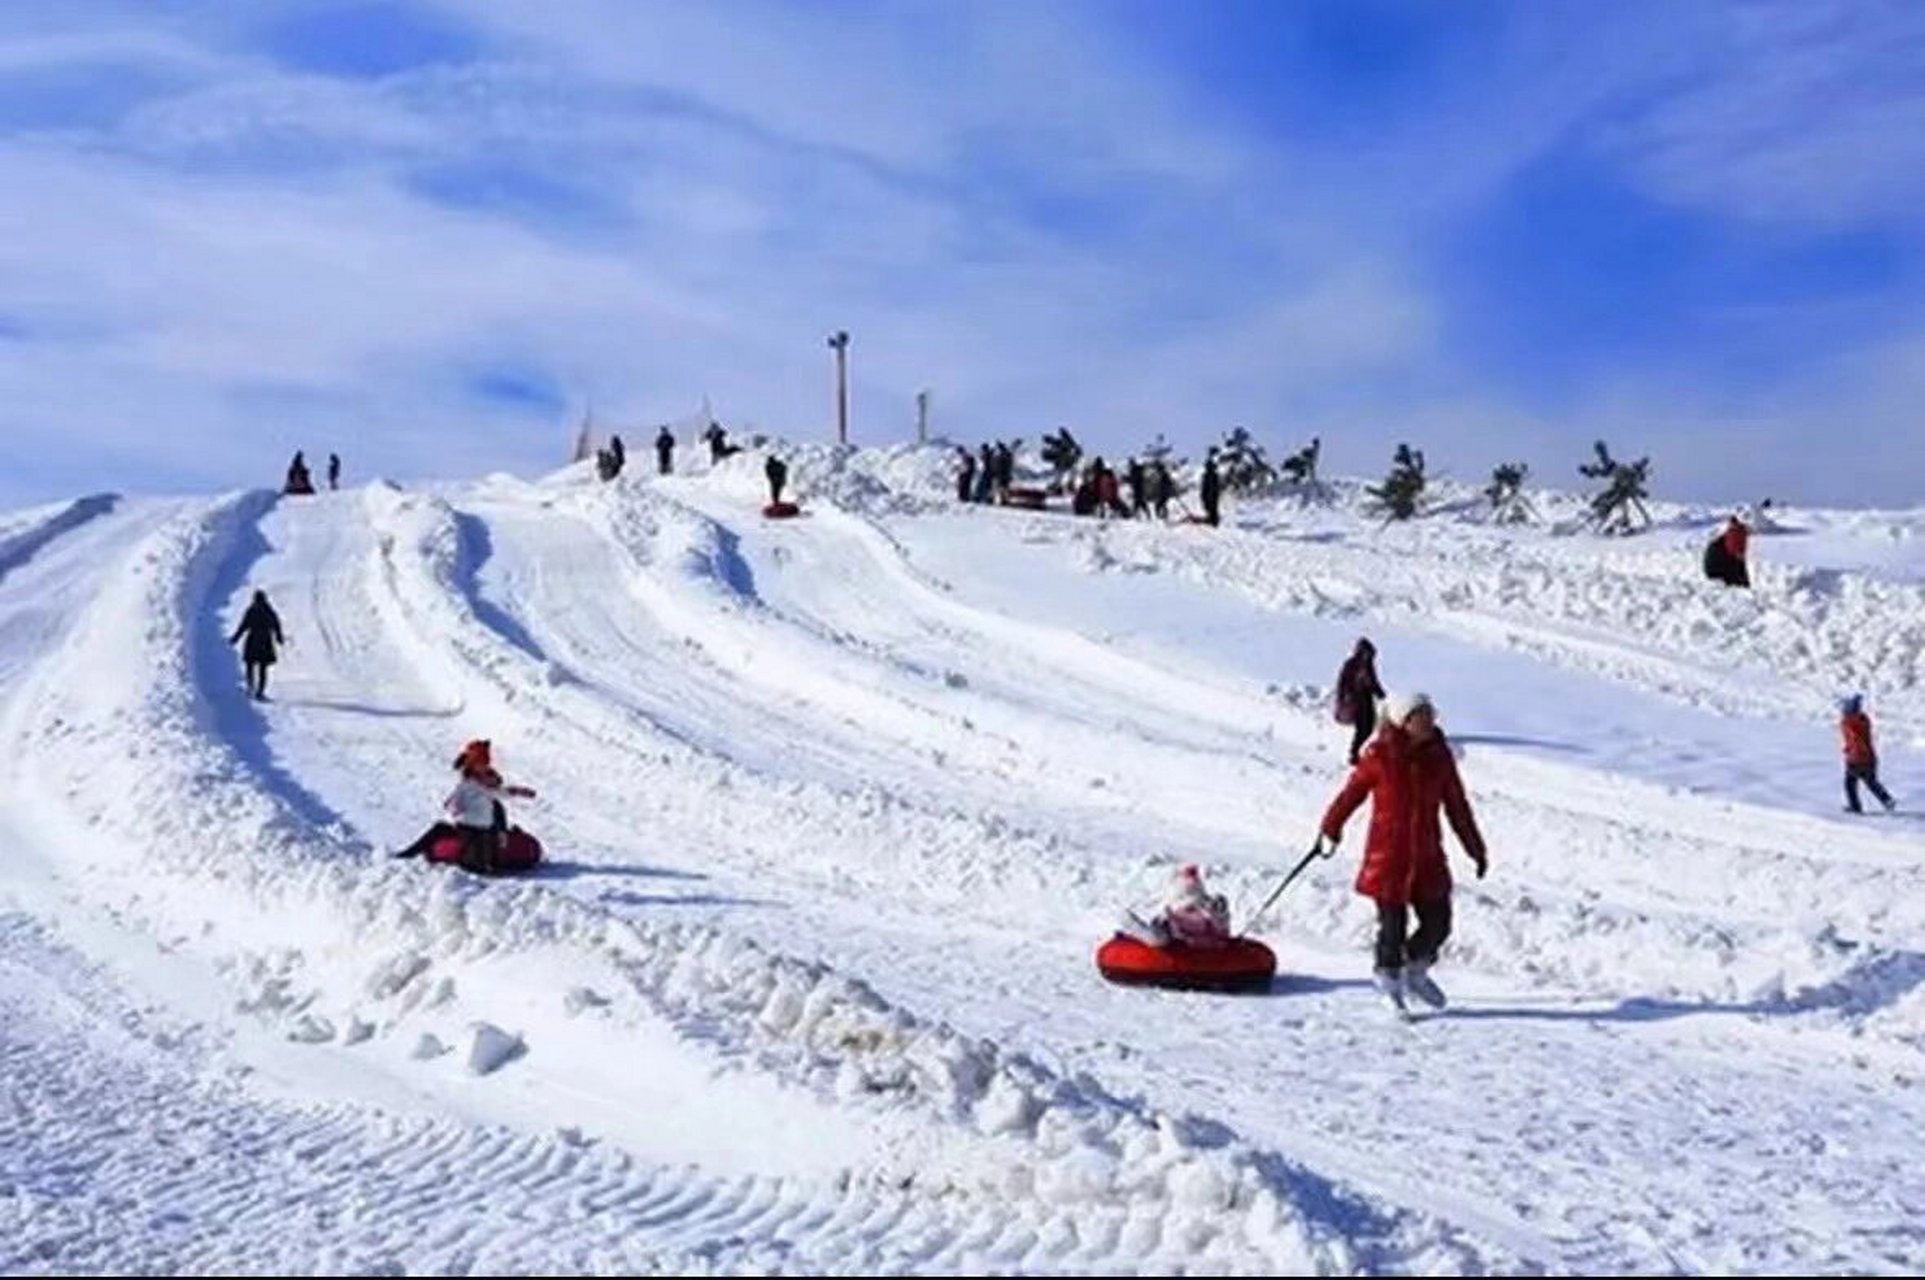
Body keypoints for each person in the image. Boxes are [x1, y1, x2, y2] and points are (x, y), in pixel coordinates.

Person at [1320, 691, 1488, 1013]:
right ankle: (1389, 983)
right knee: (1392, 928)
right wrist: (1330, 828)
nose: (1428, 722)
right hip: (1388, 858)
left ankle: (1415, 972)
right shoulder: (1380, 756)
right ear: (1403, 721)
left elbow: (1457, 807)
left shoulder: (1439, 757)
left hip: (1426, 857)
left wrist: (1475, 849)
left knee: (1439, 924)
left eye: (1430, 715)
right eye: (1420, 716)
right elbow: (1350, 795)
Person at [393, 740, 537, 872]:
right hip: (468, 827)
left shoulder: (490, 795)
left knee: (444, 830)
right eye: (481, 764)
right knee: (440, 829)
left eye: (485, 764)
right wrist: (455, 807)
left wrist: (517, 791)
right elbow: (453, 802)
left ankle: (412, 853)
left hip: (482, 832)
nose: (484, 767)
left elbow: (499, 791)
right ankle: (409, 853)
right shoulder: (471, 784)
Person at [1120, 864, 1232, 949]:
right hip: (1172, 934)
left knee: (1160, 938)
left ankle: (1133, 924)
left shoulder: (1206, 908)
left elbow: (1221, 932)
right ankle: (1131, 924)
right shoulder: (1174, 907)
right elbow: (1173, 926)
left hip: (1193, 938)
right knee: (1158, 939)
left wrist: (1219, 914)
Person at [1840, 694, 1897, 814]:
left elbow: (1855, 739)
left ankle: (1855, 808)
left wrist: (1852, 751)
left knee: (1850, 783)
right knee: (1871, 782)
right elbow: (1856, 739)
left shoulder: (1848, 722)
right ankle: (1887, 800)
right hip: (1870, 758)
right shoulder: (1863, 720)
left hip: (1856, 759)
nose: (1842, 711)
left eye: (1845, 708)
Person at [1334, 638, 1386, 766]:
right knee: (1362, 729)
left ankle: (1362, 754)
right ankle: (1356, 755)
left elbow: (1373, 683)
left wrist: (1382, 696)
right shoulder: (1352, 665)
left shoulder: (1367, 666)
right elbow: (1344, 683)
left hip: (1366, 700)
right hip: (1356, 702)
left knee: (1368, 727)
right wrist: (1345, 698)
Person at [228, 589, 285, 702]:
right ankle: (259, 691)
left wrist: (235, 638)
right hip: (265, 641)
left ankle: (251, 687)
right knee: (262, 668)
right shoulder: (269, 611)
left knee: (250, 666)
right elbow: (276, 625)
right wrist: (279, 638)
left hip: (253, 640)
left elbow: (243, 626)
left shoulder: (251, 611)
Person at [1200, 453, 1222, 526]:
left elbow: (1214, 486)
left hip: (1211, 494)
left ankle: (1213, 520)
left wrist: (1207, 493)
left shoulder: (1212, 475)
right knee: (1209, 506)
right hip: (1210, 494)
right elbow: (1204, 485)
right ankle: (1211, 518)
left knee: (1212, 507)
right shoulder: (1207, 475)